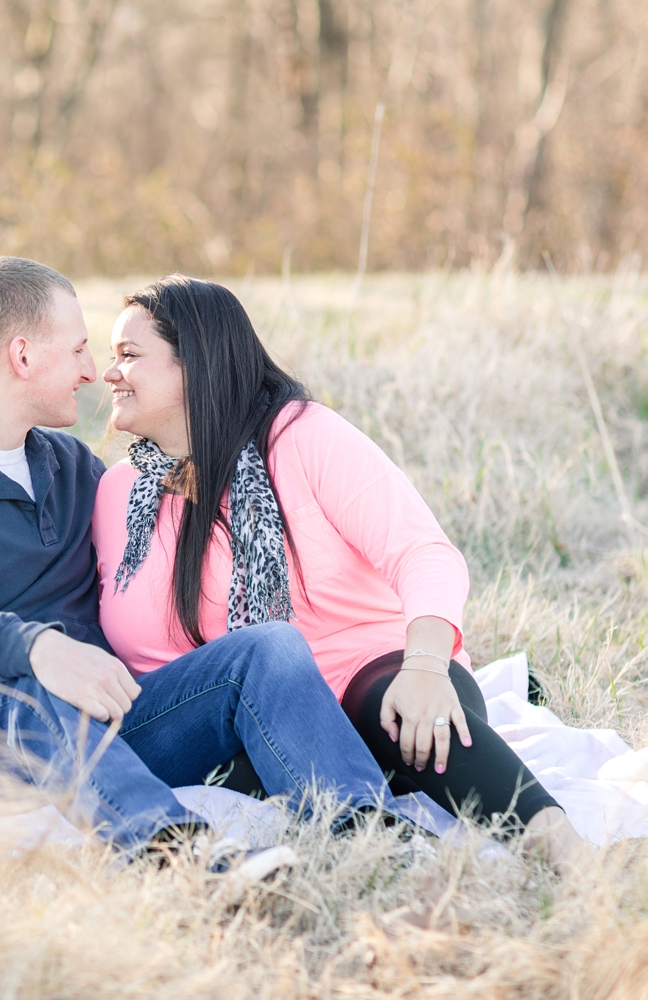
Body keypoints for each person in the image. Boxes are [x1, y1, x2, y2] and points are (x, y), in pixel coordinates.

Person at [0, 256, 395, 861]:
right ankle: (176, 856)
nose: (95, 372)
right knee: (34, 686)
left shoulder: (74, 469)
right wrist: (36, 648)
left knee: (267, 648)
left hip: (100, 729)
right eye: (81, 349)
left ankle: (368, 835)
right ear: (23, 356)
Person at [92, 274, 589, 872]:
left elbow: (423, 553)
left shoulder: (301, 437)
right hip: (236, 719)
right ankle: (382, 844)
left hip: (370, 679)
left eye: (129, 355)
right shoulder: (118, 494)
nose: (108, 372)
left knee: (407, 713)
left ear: (194, 362)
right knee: (256, 754)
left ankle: (569, 856)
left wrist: (426, 667)